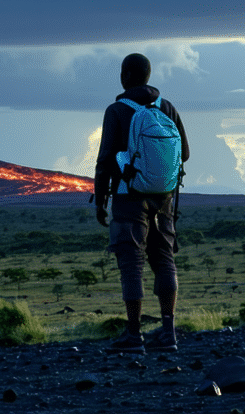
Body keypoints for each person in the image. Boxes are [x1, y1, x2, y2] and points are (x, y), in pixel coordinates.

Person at [94, 53, 189, 354]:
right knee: (164, 259)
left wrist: (100, 199)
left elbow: (105, 159)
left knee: (131, 264)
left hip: (127, 198)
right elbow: (184, 153)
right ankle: (169, 333)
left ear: (125, 76)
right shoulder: (167, 107)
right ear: (148, 76)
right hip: (165, 199)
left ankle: (134, 336)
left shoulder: (117, 110)